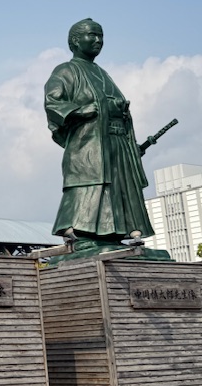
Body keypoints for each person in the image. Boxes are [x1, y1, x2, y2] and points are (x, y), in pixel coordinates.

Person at [44, 18, 154, 243]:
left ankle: (121, 229)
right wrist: (80, 110)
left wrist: (130, 144)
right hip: (89, 141)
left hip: (117, 141)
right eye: (92, 35)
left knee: (120, 185)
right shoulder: (66, 70)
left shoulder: (102, 73)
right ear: (75, 41)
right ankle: (75, 227)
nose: (98, 40)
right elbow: (52, 102)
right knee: (89, 182)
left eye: (101, 36)